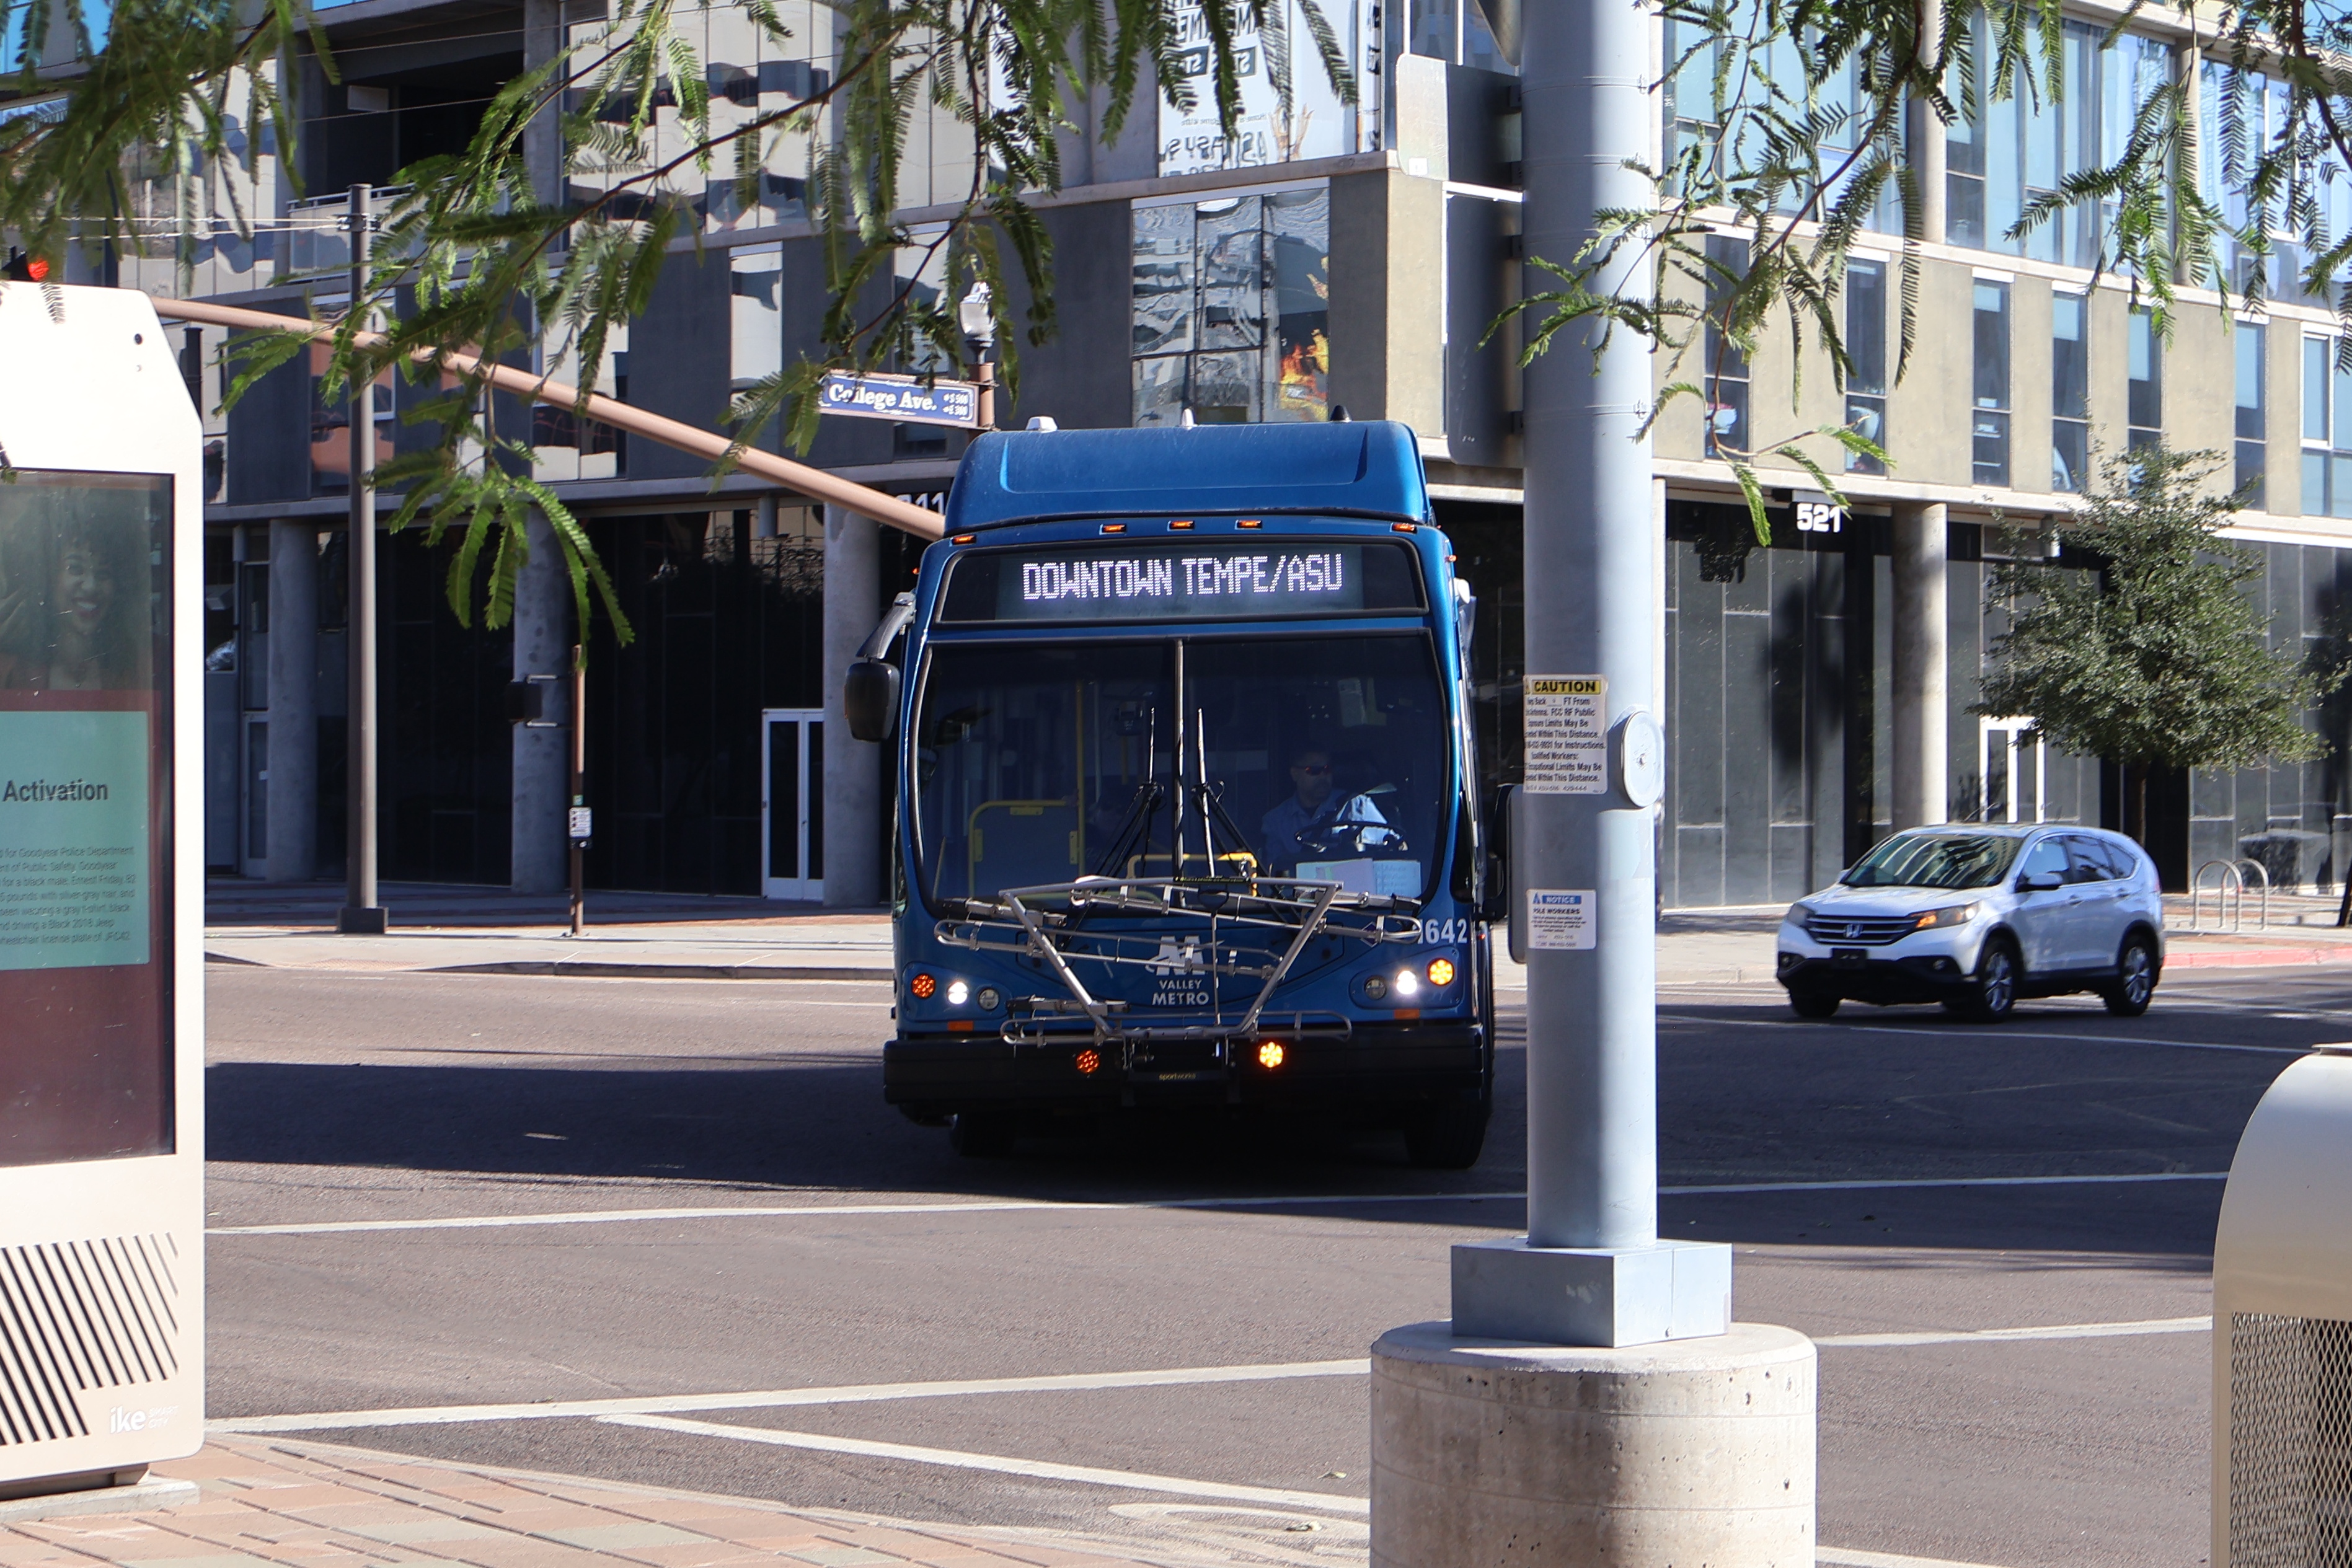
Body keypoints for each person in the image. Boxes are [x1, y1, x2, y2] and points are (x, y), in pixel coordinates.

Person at [1259, 744, 1392, 875]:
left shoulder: (1357, 806)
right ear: (1295, 774)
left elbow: (1397, 849)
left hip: (1356, 894)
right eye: (1314, 771)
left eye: (1327, 769)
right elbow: (1273, 876)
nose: (1323, 776)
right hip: (1299, 895)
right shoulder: (1275, 822)